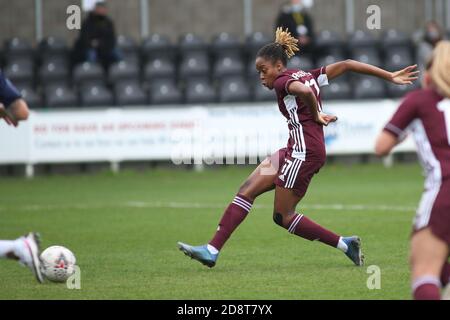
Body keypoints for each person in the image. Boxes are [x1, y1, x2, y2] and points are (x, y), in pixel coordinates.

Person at [177, 28, 418, 268]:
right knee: (247, 189)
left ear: (279, 66)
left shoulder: (283, 81)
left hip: (304, 153)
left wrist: (316, 114)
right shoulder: (306, 74)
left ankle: (345, 244)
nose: (261, 76)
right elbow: (347, 64)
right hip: (293, 148)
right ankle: (211, 250)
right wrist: (389, 76)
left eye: (264, 70)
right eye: (258, 72)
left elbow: (303, 92)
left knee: (283, 216)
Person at [375, 41, 450, 300]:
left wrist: (410, 128)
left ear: (430, 74)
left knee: (423, 269)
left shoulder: (420, 101)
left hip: (444, 192)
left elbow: (381, 147)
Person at [72, 1, 121, 68]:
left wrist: (102, 43)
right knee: (91, 55)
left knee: (117, 53)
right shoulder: (88, 22)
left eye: (103, 9)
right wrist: (94, 43)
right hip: (91, 48)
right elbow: (85, 39)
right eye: (100, 9)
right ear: (95, 10)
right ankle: (93, 74)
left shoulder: (108, 22)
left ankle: (119, 71)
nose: (102, 11)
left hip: (105, 47)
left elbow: (111, 38)